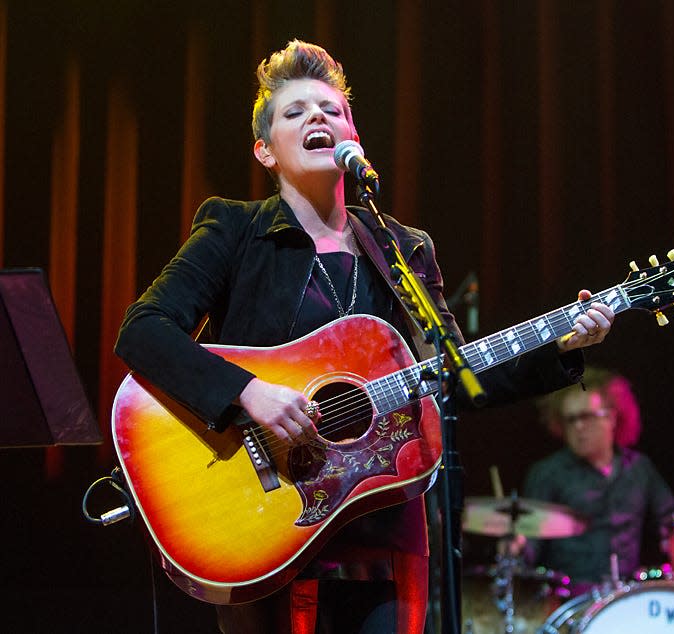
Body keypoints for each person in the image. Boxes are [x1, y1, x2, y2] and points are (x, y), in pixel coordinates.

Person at [114, 39, 617, 634]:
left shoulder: (402, 248)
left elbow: (455, 371)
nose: (318, 118)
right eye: (295, 112)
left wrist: (560, 348)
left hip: (384, 525)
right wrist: (248, 392)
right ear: (265, 150)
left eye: (332, 109)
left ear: (354, 135)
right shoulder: (234, 229)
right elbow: (143, 330)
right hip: (268, 515)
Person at [520, 367, 674, 594]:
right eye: (570, 420)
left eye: (586, 416)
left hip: (628, 595)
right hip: (571, 601)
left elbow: (673, 523)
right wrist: (517, 546)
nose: (578, 427)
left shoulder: (639, 468)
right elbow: (530, 542)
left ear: (612, 417)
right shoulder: (547, 473)